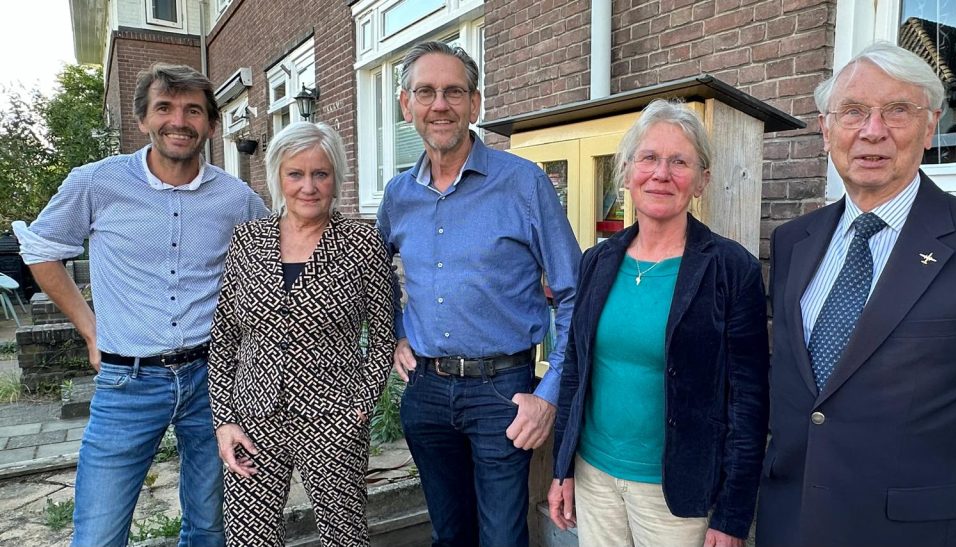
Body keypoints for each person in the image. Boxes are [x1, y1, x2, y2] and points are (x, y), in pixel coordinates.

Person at [757, 41, 956, 547]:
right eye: (853, 111)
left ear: (930, 127)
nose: (872, 131)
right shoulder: (794, 241)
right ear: (826, 129)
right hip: (796, 522)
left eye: (897, 110)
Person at [13, 63, 269, 546]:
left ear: (211, 124)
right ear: (144, 120)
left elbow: (266, 263)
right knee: (99, 533)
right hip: (127, 381)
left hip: (213, 380)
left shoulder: (236, 198)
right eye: (165, 108)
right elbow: (41, 249)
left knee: (211, 526)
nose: (179, 120)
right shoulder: (96, 183)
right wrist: (91, 330)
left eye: (193, 110)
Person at [376, 41, 580, 546]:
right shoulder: (398, 194)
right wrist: (394, 337)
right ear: (407, 105)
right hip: (425, 392)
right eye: (426, 92)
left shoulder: (523, 183)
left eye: (453, 92)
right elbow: (374, 277)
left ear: (475, 103)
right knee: (449, 535)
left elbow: (576, 293)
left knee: (502, 539)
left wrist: (548, 393)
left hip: (502, 393)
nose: (439, 104)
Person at [546, 99, 770, 547]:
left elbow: (749, 403)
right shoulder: (598, 261)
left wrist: (732, 515)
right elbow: (575, 369)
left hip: (678, 494)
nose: (661, 173)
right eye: (648, 158)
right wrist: (562, 468)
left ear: (702, 180)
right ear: (627, 172)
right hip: (596, 479)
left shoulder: (731, 268)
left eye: (679, 162)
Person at [208, 121, 395, 546]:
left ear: (336, 179)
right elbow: (223, 340)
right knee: (249, 538)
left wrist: (358, 409)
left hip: (334, 418)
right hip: (253, 418)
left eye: (320, 174)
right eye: (296, 174)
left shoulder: (362, 244)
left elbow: (383, 338)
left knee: (345, 537)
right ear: (278, 178)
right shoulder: (248, 240)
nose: (308, 186)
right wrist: (225, 421)